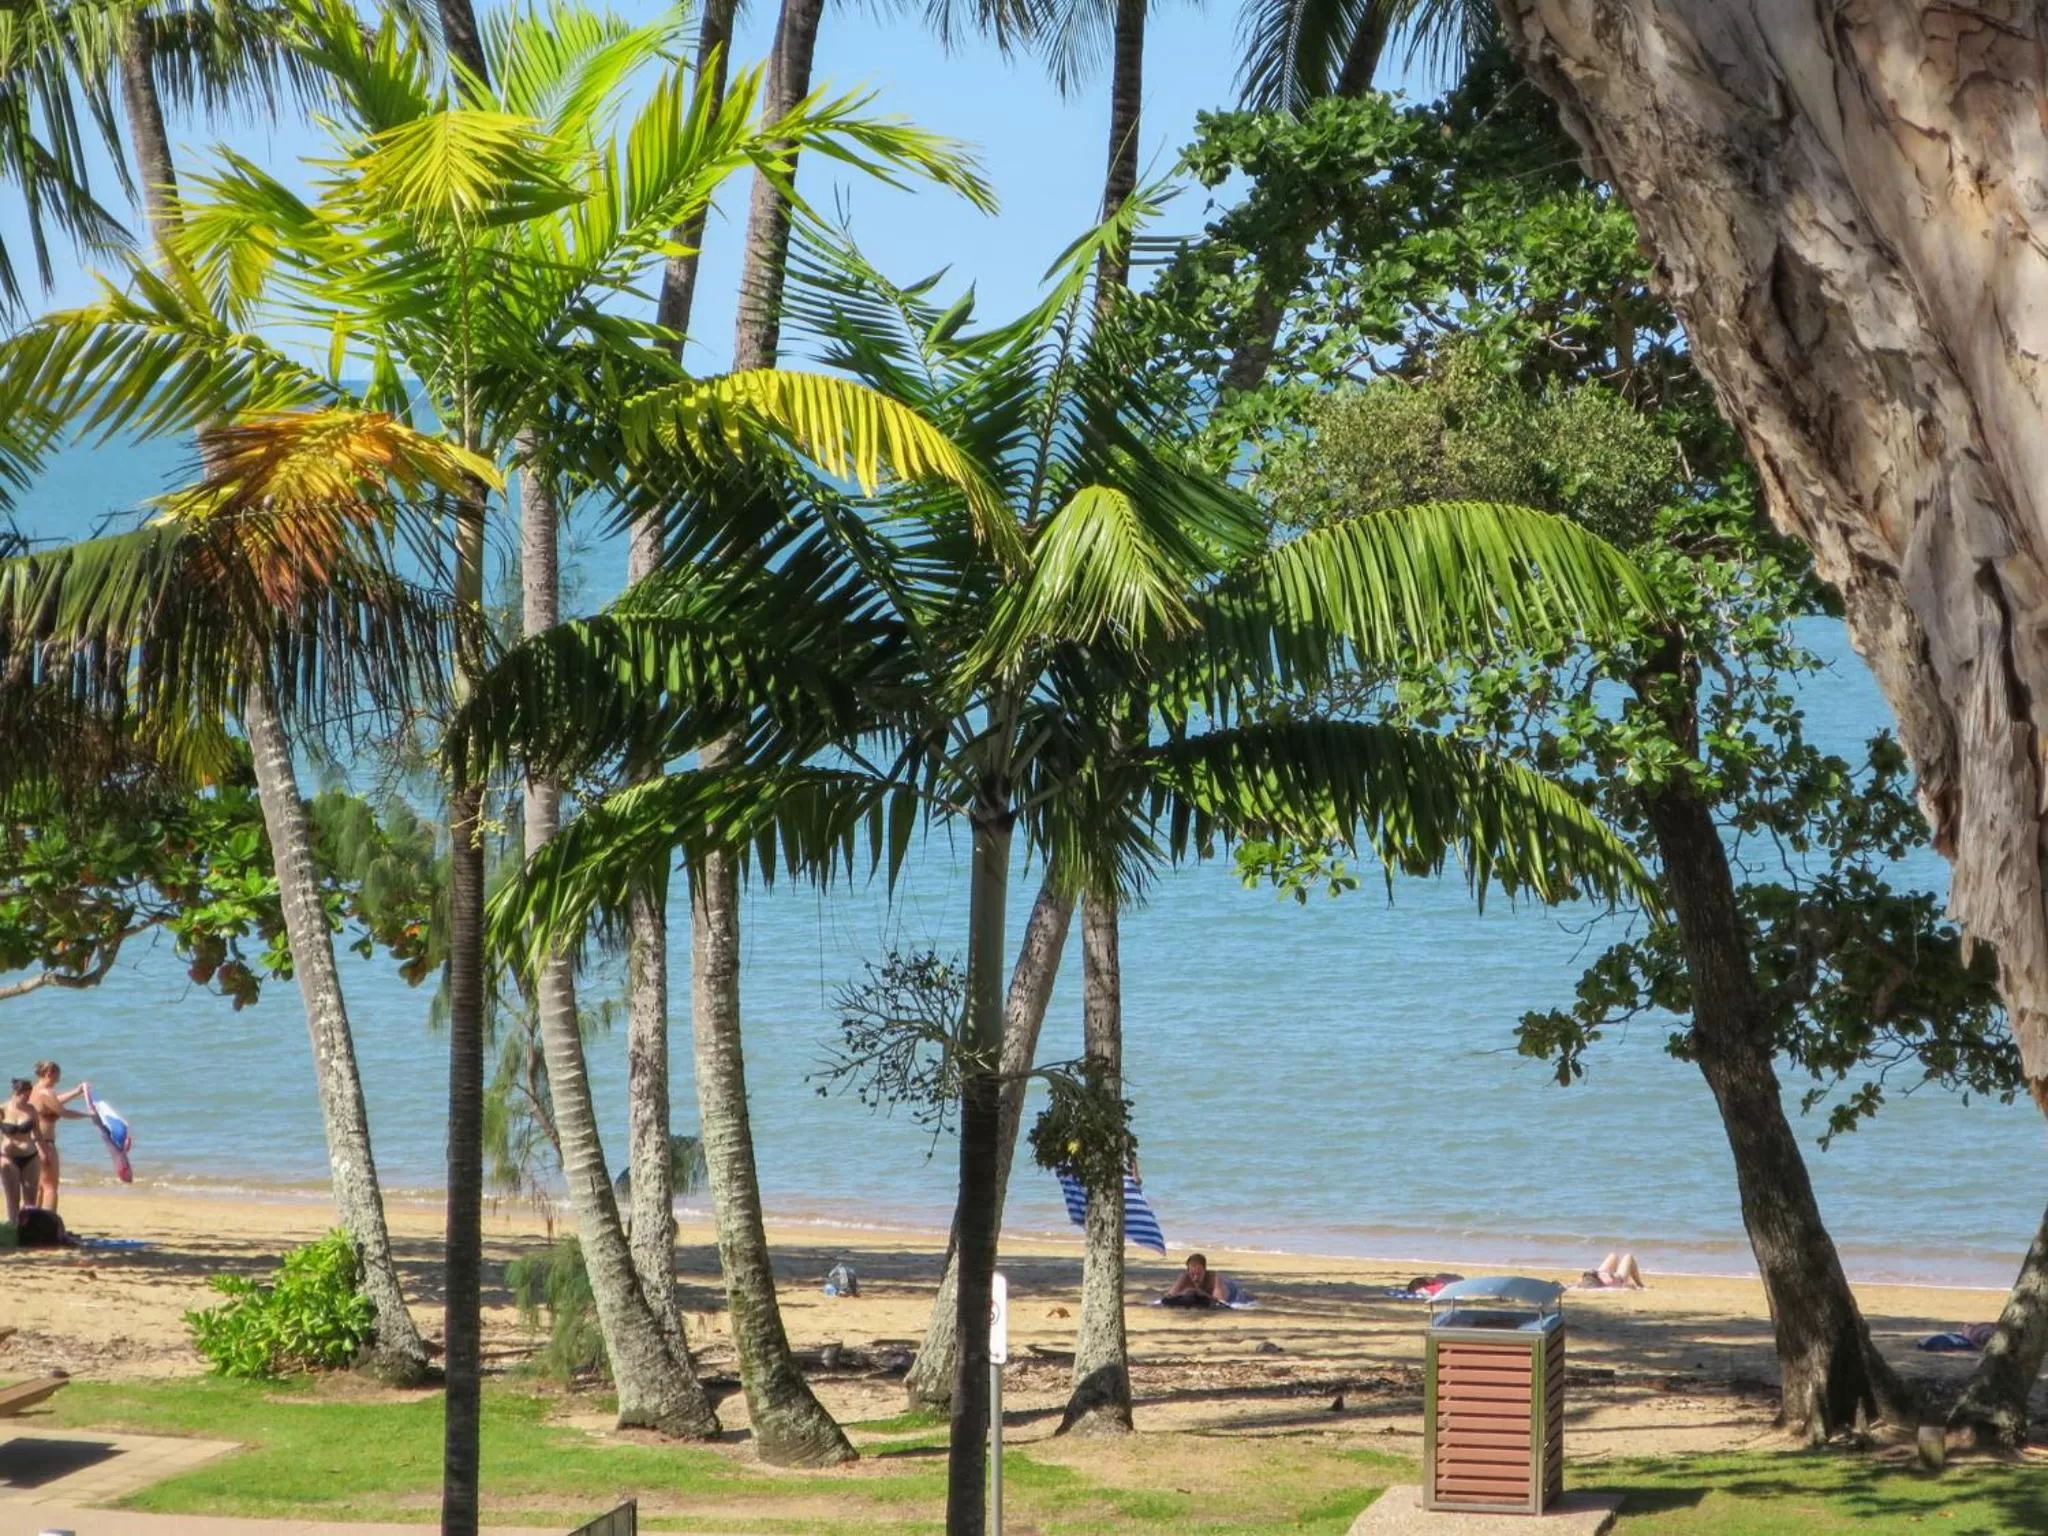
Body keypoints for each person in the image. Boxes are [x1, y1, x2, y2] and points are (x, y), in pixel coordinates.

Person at [28, 1061, 90, 1214]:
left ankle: (33, 1224)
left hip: (33, 1143)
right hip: (45, 1144)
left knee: (40, 1188)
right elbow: (64, 1112)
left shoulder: (34, 1091)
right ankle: (49, 1225)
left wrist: (76, 1092)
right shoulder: (46, 1093)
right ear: (49, 1074)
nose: (58, 1080)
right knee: (50, 1188)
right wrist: (90, 1115)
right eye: (57, 1076)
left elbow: (54, 1102)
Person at [2, 1078, 39, 1224]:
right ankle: (13, 1228)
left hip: (30, 1156)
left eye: (30, 1095)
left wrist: (45, 1153)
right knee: (13, 1199)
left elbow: (38, 1134)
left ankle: (29, 1231)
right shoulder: (2, 1109)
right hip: (8, 1158)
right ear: (16, 1093)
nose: (29, 1098)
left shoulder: (31, 1109)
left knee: (30, 1201)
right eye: (26, 1095)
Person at [1577, 1252, 1645, 1290]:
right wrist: (1635, 1287)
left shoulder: (1584, 1281)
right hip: (1619, 1278)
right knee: (1628, 1257)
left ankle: (1640, 1285)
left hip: (1601, 1274)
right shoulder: (1609, 1284)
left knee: (1613, 1256)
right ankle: (1640, 1284)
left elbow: (1579, 1282)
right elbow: (1627, 1286)